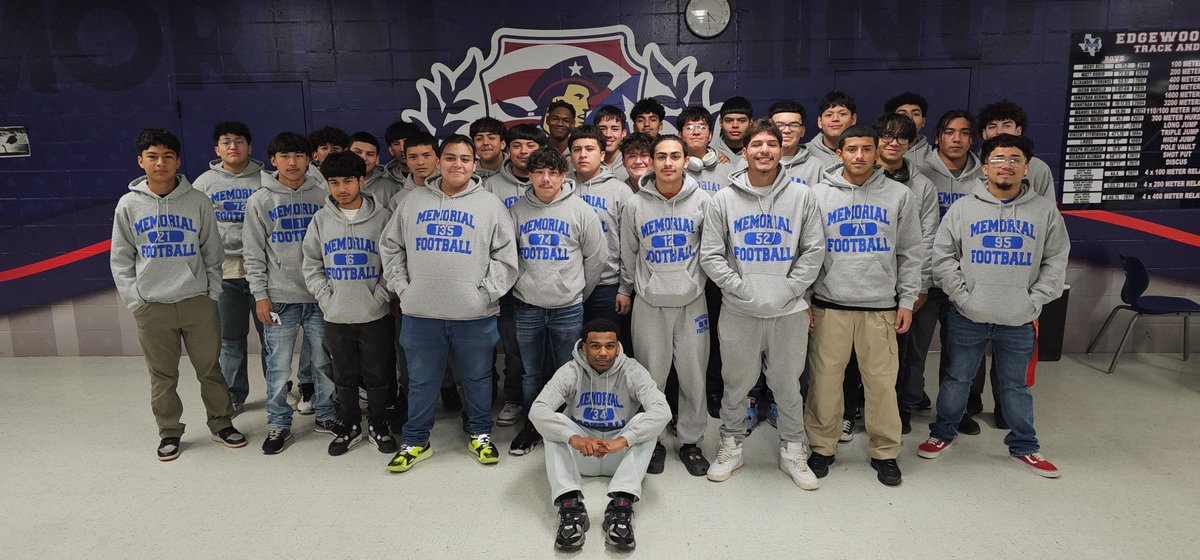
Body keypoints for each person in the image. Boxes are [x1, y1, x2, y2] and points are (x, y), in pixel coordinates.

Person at [919, 134, 1069, 479]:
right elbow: (942, 257)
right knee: (957, 378)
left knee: (1016, 386)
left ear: (1026, 167)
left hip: (1018, 319)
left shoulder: (1044, 211)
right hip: (968, 315)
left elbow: (1056, 260)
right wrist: (963, 297)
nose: (1007, 165)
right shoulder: (963, 209)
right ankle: (943, 434)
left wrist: (1033, 300)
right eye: (999, 159)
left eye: (1015, 159)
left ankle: (1024, 446)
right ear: (985, 167)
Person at [380, 135, 519, 472]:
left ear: (475, 165)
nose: (458, 164)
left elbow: (506, 258)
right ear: (439, 161)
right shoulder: (412, 201)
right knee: (421, 381)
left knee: (477, 379)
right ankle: (415, 441)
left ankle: (480, 434)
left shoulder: (490, 205)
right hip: (420, 313)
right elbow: (390, 247)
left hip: (473, 314)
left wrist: (485, 293)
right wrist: (403, 288)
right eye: (451, 157)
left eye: (465, 159)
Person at [699, 120, 825, 489]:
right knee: (736, 383)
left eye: (772, 143)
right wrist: (739, 289)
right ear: (745, 151)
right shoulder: (724, 199)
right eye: (757, 144)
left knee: (787, 385)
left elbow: (814, 250)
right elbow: (711, 254)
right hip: (740, 310)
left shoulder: (802, 197)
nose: (765, 150)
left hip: (788, 311)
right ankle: (731, 444)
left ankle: (792, 449)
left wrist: (790, 289)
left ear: (781, 148)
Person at [111, 128, 246, 461]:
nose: (161, 163)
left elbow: (212, 253)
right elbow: (121, 258)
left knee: (210, 369)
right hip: (152, 305)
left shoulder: (197, 200)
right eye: (153, 156)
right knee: (162, 375)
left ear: (178, 161)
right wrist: (135, 300)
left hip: (196, 302)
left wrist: (211, 293)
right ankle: (169, 431)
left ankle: (221, 423)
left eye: (168, 156)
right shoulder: (128, 205)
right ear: (141, 161)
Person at [803, 124, 923, 487]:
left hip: (880, 307)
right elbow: (807, 252)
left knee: (882, 384)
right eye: (851, 149)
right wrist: (805, 299)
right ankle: (822, 447)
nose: (858, 156)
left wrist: (906, 299)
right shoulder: (817, 195)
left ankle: (885, 451)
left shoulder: (899, 195)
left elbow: (911, 252)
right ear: (838, 153)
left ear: (876, 153)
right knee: (824, 382)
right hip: (829, 305)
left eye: (865, 149)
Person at [529, 318, 670, 552]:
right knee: (557, 424)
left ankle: (620, 509)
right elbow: (538, 409)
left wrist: (623, 440)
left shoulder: (632, 370)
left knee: (643, 424)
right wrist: (574, 438)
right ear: (584, 347)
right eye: (595, 346)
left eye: (609, 346)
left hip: (619, 454)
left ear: (618, 347)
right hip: (582, 452)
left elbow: (662, 410)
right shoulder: (570, 371)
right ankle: (571, 510)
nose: (603, 353)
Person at [618, 134, 713, 476]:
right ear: (653, 162)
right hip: (649, 302)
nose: (668, 162)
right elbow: (628, 253)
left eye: (675, 156)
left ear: (686, 160)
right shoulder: (635, 204)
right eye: (662, 156)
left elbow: (712, 251)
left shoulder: (703, 201)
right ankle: (651, 440)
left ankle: (690, 441)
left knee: (692, 375)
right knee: (649, 377)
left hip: (692, 302)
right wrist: (626, 289)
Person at [243, 132, 339, 454]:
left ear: (308, 158)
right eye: (285, 156)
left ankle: (326, 414)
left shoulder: (324, 195)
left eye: (298, 155)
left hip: (318, 296)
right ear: (273, 161)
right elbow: (253, 253)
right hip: (279, 298)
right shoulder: (260, 200)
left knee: (323, 362)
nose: (293, 162)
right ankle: (278, 423)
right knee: (278, 365)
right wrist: (260, 294)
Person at [508, 146, 606, 456]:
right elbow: (509, 257)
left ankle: (565, 428)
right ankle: (533, 426)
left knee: (567, 371)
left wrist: (575, 292)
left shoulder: (580, 209)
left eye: (553, 173)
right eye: (539, 172)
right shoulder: (517, 211)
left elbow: (596, 258)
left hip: (567, 307)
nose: (546, 179)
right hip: (528, 305)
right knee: (530, 372)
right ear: (530, 175)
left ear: (563, 176)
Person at [301, 151, 397, 456]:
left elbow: (394, 263)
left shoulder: (382, 218)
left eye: (348, 181)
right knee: (343, 376)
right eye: (334, 182)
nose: (341, 188)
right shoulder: (320, 220)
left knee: (378, 375)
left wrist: (381, 296)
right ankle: (350, 425)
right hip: (336, 315)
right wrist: (326, 298)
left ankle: (379, 425)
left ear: (361, 180)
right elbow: (311, 264)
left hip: (375, 315)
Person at [922, 109, 989, 436]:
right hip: (925, 277)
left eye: (964, 133)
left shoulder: (983, 180)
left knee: (961, 354)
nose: (957, 138)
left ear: (972, 139)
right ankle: (907, 405)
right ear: (938, 137)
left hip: (966, 280)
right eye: (950, 132)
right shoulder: (920, 172)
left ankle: (957, 410)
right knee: (914, 352)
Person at [872, 114, 940, 435]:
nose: (893, 142)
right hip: (868, 285)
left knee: (903, 354)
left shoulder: (922, 187)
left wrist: (918, 287)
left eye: (902, 138)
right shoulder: (860, 176)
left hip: (905, 286)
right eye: (887, 135)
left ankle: (900, 411)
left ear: (911, 143)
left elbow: (924, 241)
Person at [192, 121, 267, 411]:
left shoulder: (266, 179)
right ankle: (235, 395)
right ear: (217, 148)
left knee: (271, 338)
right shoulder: (204, 183)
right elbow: (197, 228)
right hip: (225, 273)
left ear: (249, 146)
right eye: (226, 141)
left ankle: (278, 390)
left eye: (238, 141)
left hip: (262, 271)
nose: (232, 146)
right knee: (230, 339)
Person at [483, 123, 546, 427]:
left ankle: (548, 401)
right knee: (513, 346)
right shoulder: (491, 185)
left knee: (544, 347)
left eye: (531, 146)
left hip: (542, 278)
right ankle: (513, 398)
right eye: (518, 145)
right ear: (507, 148)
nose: (524, 152)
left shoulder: (551, 181)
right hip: (506, 283)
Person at [569, 125, 632, 343]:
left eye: (589, 149)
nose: (583, 155)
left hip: (607, 286)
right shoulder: (561, 187)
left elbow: (629, 245)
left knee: (606, 348)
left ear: (603, 154)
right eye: (577, 150)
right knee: (572, 348)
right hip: (568, 286)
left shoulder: (620, 190)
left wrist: (625, 288)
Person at [978, 100, 1055, 199]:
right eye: (992, 126)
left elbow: (1049, 209)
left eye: (1007, 125)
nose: (999, 131)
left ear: (1018, 131)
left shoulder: (1038, 168)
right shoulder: (973, 167)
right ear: (984, 133)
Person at [678, 106, 734, 194]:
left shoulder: (726, 167)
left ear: (710, 135)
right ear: (680, 135)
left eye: (702, 128)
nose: (696, 132)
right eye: (689, 128)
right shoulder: (673, 167)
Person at [806, 91, 858, 168]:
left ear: (853, 119)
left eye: (842, 114)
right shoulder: (805, 153)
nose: (835, 119)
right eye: (829, 115)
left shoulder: (864, 151)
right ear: (820, 121)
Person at [884, 92, 932, 174]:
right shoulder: (880, 151)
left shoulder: (937, 155)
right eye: (903, 114)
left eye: (916, 114)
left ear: (923, 122)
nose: (910, 118)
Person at [348, 131, 401, 203]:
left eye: (370, 154)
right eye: (357, 152)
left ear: (377, 159)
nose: (363, 158)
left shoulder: (392, 189)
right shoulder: (330, 183)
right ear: (345, 153)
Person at [710, 96, 752, 165]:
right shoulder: (710, 155)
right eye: (729, 121)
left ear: (750, 123)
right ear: (720, 122)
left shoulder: (758, 153)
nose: (735, 125)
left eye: (742, 121)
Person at [594, 105, 629, 182]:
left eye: (614, 129)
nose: (608, 134)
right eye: (602, 129)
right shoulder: (587, 161)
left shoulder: (632, 162)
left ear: (623, 133)